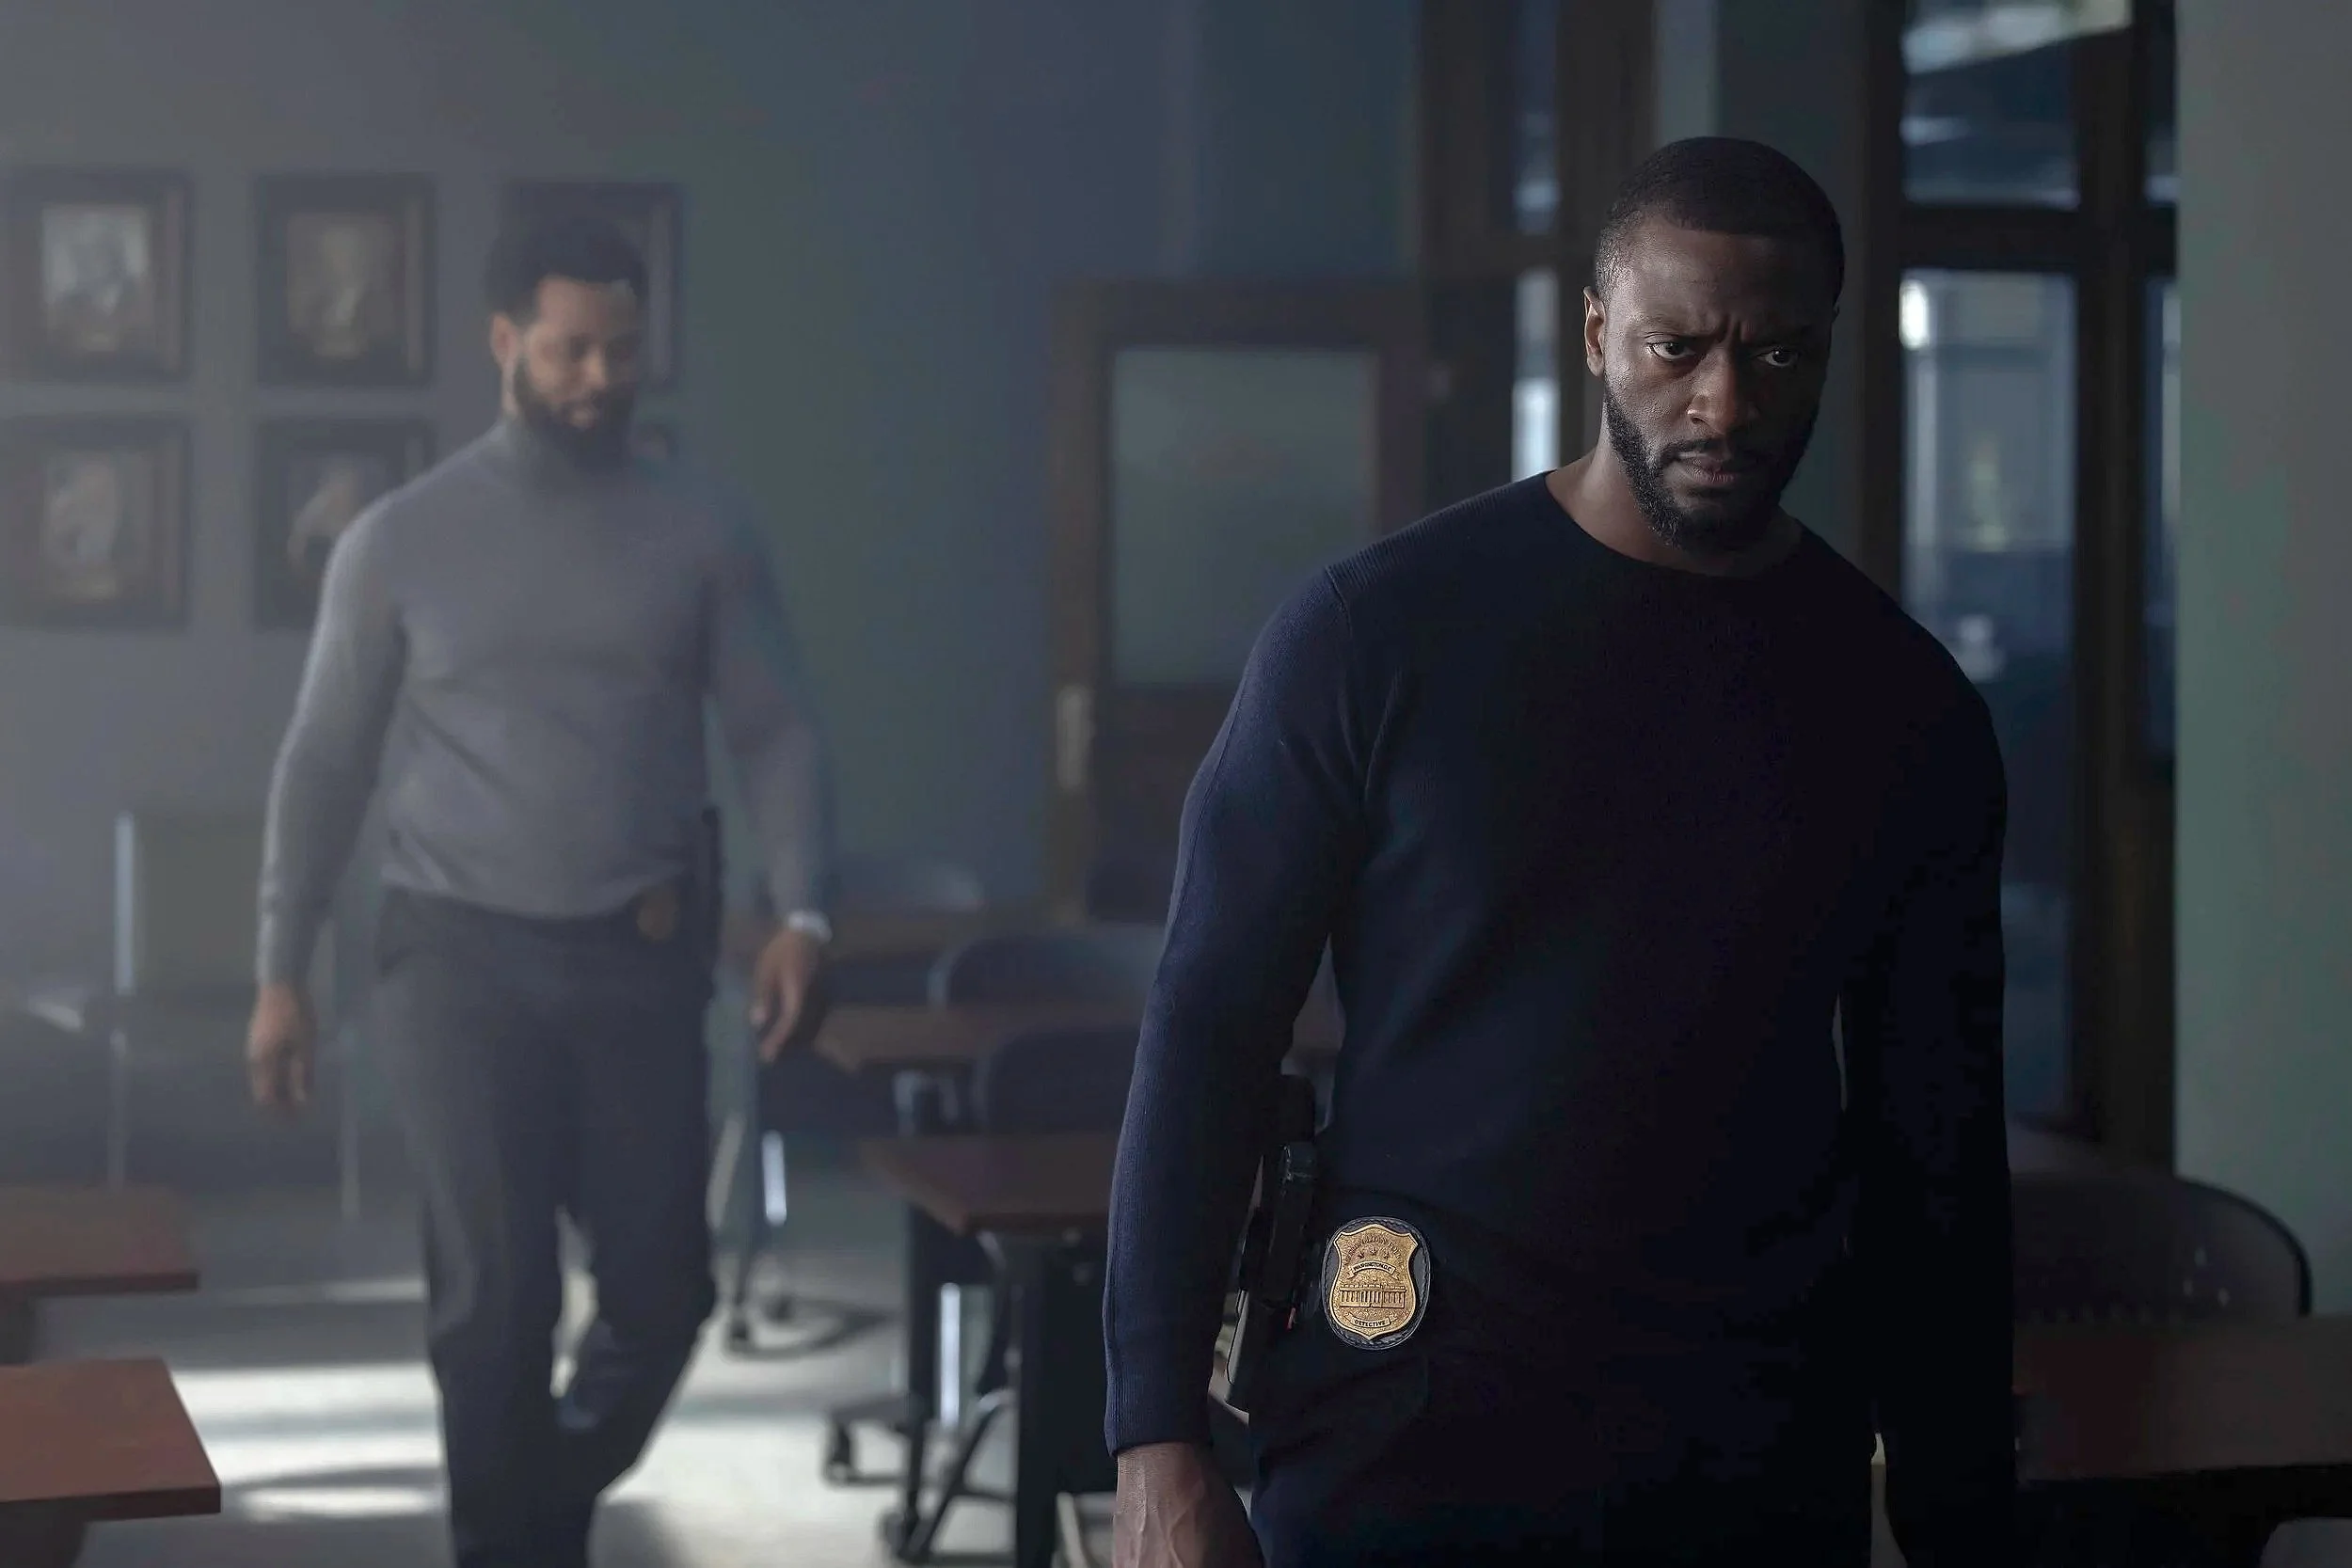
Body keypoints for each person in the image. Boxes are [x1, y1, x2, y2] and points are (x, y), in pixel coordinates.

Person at [1105, 137, 2013, 1566]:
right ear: (1597, 334)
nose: (1726, 401)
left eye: (1781, 356)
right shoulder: (1376, 636)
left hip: (1748, 1456)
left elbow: (1938, 1149)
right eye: (1678, 347)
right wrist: (1156, 1436)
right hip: (1402, 1422)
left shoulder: (1903, 707)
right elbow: (1211, 1025)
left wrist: (1966, 1510)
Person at [246, 212, 836, 1568]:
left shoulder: (700, 530)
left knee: (663, 1291)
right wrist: (281, 969)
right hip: (452, 962)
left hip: (637, 959)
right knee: (496, 1305)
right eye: (571, 350)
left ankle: (537, 1511)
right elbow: (323, 761)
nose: (598, 378)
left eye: (622, 351)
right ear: (505, 341)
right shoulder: (399, 539)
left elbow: (773, 730)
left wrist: (804, 910)